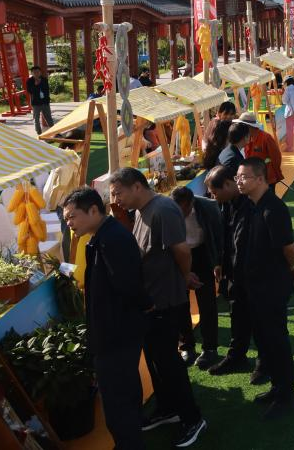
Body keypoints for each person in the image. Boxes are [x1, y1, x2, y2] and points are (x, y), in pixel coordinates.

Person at [108, 168, 207, 446]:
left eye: (118, 193)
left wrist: (185, 276)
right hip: (150, 301)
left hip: (165, 300)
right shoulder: (140, 211)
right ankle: (168, 408)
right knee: (155, 361)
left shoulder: (163, 209)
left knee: (168, 362)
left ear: (137, 186)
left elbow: (182, 250)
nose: (115, 200)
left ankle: (192, 418)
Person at [64, 187, 150, 450]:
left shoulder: (112, 240)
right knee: (124, 396)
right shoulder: (103, 237)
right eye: (66, 218)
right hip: (115, 335)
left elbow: (130, 288)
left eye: (72, 217)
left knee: (117, 403)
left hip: (116, 337)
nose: (69, 224)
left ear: (93, 210)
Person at [235, 157, 294, 419]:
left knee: (277, 341)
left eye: (244, 177)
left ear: (260, 179)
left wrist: (291, 268)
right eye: (237, 177)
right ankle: (277, 387)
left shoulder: (273, 209)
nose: (239, 181)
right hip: (254, 287)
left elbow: (290, 248)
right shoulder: (250, 205)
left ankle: (286, 395)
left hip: (271, 288)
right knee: (265, 341)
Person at [203, 166, 263, 382]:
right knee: (237, 315)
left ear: (228, 184)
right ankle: (236, 356)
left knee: (260, 320)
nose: (213, 197)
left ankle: (264, 363)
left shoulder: (254, 203)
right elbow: (227, 236)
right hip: (234, 273)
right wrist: (221, 263)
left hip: (255, 275)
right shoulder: (229, 203)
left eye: (214, 192)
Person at [171, 186, 224, 370]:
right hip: (178, 256)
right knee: (180, 303)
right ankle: (187, 346)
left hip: (202, 254)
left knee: (207, 302)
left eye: (183, 210)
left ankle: (210, 348)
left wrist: (218, 262)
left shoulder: (208, 207)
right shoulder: (168, 210)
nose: (180, 214)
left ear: (191, 203)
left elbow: (218, 235)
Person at [241, 112, 284, 189]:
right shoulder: (247, 138)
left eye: (241, 126)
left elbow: (276, 157)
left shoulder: (266, 138)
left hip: (267, 178)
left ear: (249, 126)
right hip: (254, 178)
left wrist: (277, 174)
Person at [26, 65, 54, 134]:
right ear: (32, 73)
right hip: (36, 103)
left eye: (38, 72)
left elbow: (47, 90)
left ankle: (55, 132)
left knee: (49, 118)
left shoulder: (44, 79)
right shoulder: (29, 81)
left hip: (45, 102)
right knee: (36, 119)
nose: (36, 73)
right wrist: (35, 85)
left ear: (40, 72)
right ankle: (39, 132)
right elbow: (30, 91)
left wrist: (40, 83)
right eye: (34, 72)